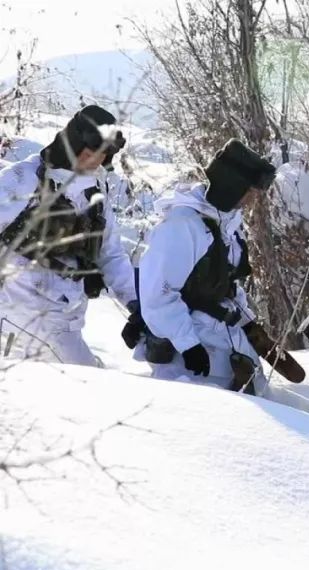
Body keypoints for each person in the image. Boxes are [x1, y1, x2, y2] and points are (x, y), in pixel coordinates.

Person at [131, 139, 287, 396]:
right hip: (188, 357)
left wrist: (247, 324)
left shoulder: (226, 222)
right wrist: (189, 345)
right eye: (249, 192)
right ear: (231, 185)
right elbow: (158, 294)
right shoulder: (182, 226)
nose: (251, 200)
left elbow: (226, 282)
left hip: (223, 339)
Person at [0, 105, 135, 366]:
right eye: (89, 153)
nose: (94, 161)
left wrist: (135, 305)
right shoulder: (23, 179)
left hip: (65, 323)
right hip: (15, 321)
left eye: (102, 155)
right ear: (72, 143)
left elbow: (111, 254)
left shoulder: (94, 194)